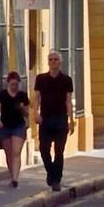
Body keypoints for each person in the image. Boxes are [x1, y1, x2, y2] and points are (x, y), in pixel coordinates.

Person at [34, 49, 75, 191]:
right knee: (44, 149)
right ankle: (51, 173)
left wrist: (71, 120)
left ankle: (56, 179)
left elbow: (68, 101)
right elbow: (36, 97)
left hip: (60, 119)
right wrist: (35, 113)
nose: (53, 62)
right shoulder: (41, 79)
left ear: (60, 62)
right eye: (50, 59)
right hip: (45, 119)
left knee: (59, 152)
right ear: (48, 62)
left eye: (55, 59)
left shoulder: (66, 80)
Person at [0, 70, 29, 189]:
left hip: (18, 126)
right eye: (12, 84)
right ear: (8, 83)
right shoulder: (2, 95)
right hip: (5, 127)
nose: (14, 87)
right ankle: (12, 175)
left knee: (16, 152)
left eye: (16, 84)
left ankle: (15, 178)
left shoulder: (22, 95)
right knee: (9, 153)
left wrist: (22, 109)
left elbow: (27, 113)